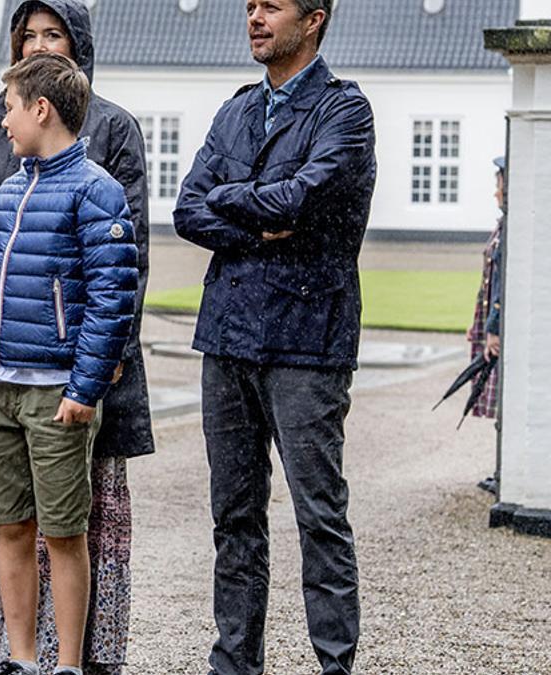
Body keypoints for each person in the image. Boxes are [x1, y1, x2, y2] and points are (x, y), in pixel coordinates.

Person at [0, 2, 153, 672]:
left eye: (10, 107)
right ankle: (21, 658)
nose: (1, 121)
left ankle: (70, 662)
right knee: (10, 526)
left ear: (43, 111)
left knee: (65, 530)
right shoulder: (5, 193)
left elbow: (113, 294)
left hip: (57, 392)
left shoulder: (97, 188)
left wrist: (87, 384)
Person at [173, 1, 375, 673]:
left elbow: (305, 200)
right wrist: (257, 220)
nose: (254, 17)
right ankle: (233, 664)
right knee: (233, 516)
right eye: (250, 6)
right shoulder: (235, 110)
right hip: (228, 333)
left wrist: (236, 199)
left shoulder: (345, 112)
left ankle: (334, 664)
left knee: (319, 514)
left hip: (306, 337)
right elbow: (187, 208)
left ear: (313, 19)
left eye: (271, 6)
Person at [469, 156, 506, 495]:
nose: (496, 192)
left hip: (498, 326)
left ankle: (504, 469)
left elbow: (500, 285)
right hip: (490, 322)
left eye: (499, 184)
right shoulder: (503, 224)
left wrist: (493, 328)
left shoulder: (509, 229)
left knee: (502, 400)